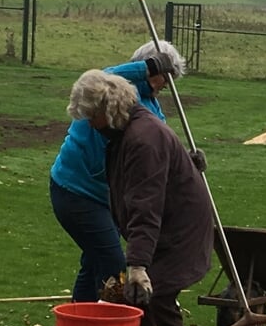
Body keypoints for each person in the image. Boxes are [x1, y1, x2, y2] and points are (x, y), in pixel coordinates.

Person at [68, 68, 213, 326]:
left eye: (92, 116)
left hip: (179, 229)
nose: (90, 124)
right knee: (139, 304)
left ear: (109, 109)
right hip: (163, 224)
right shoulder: (128, 129)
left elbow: (146, 207)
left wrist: (138, 265)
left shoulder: (142, 139)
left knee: (159, 299)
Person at [48, 41, 188, 302]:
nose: (167, 86)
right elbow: (109, 73)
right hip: (76, 192)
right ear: (147, 71)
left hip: (106, 198)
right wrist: (147, 67)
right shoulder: (105, 93)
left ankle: (81, 321)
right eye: (164, 78)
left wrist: (185, 162)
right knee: (113, 264)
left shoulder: (149, 106)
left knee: (94, 262)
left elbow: (158, 148)